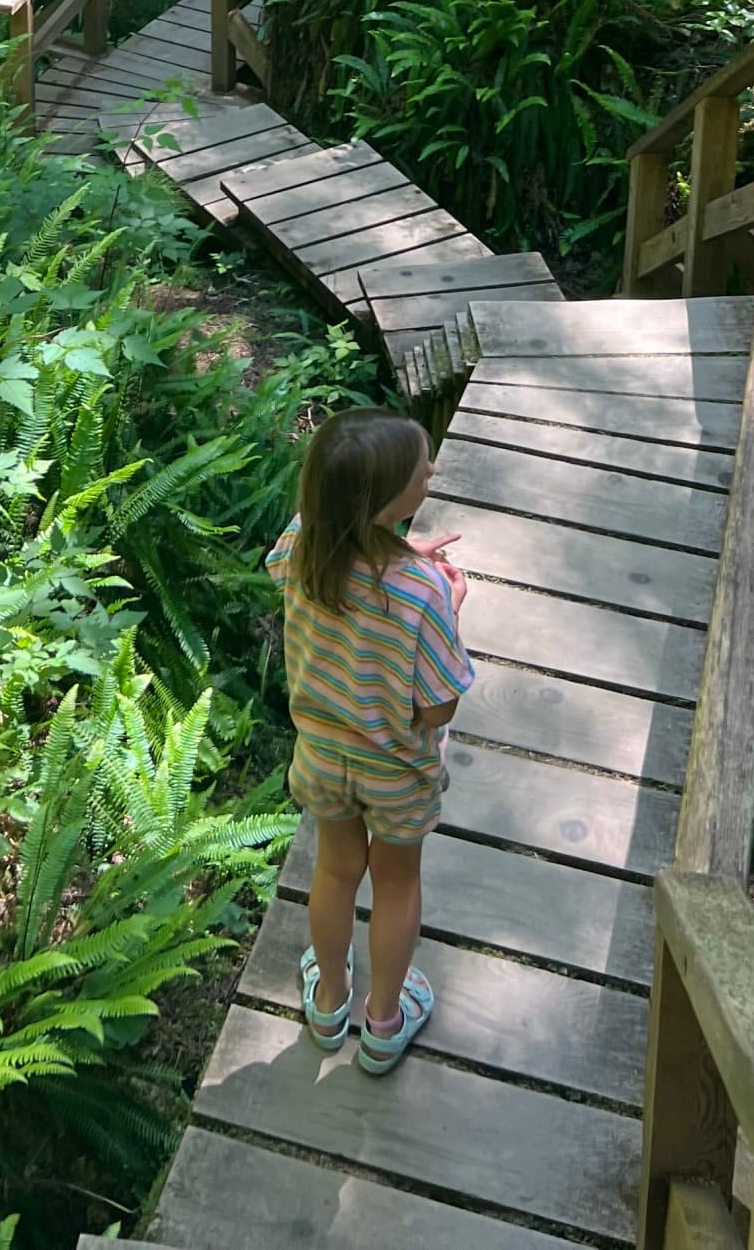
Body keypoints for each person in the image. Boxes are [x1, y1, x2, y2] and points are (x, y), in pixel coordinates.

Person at [265, 408, 473, 1072]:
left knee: (333, 871)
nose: (432, 471)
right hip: (397, 770)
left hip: (323, 757)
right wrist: (449, 600)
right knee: (396, 883)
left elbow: (341, 552)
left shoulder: (300, 546)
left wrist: (395, 548)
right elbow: (438, 708)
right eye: (421, 472)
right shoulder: (422, 594)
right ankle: (383, 1023)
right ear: (386, 502)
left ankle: (328, 1001)